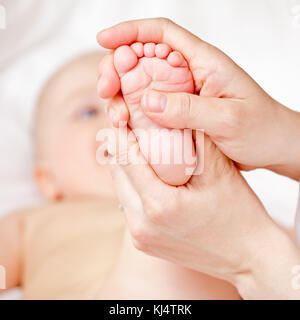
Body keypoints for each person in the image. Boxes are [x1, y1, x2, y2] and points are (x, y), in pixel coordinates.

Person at [0, 51, 239, 300]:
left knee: (200, 231)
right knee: (175, 234)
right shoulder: (31, 223)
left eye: (133, 105)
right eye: (87, 113)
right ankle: (167, 185)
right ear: (47, 181)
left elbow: (269, 254)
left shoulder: (222, 210)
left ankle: (167, 193)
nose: (118, 118)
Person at [97, 18, 300, 299]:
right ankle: (169, 155)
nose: (106, 121)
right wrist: (287, 135)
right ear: (45, 177)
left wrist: (251, 259)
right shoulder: (38, 219)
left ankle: (169, 160)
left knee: (152, 265)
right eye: (85, 113)